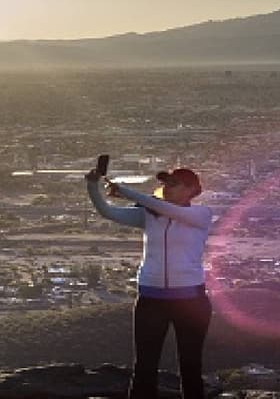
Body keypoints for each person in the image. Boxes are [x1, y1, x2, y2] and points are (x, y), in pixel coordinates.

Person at [85, 165, 213, 399]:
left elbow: (160, 206)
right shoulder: (148, 215)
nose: (167, 187)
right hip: (152, 299)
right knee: (144, 366)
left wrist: (127, 192)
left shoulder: (200, 215)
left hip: (192, 301)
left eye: (174, 183)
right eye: (166, 183)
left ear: (191, 190)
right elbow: (107, 211)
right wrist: (92, 185)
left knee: (190, 366)